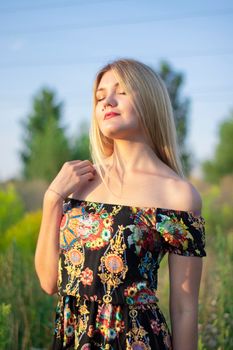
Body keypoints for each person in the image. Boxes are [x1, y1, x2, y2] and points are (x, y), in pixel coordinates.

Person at [35, 58, 206, 350]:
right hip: (72, 339)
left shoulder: (178, 195)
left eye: (121, 91)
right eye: (100, 97)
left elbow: (184, 309)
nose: (107, 101)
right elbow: (50, 283)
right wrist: (52, 200)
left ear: (150, 99)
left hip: (136, 341)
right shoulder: (79, 181)